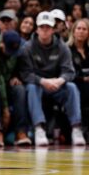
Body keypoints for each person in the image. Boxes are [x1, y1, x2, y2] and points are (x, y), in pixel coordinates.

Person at [19, 11, 86, 146]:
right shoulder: (27, 47)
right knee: (31, 87)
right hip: (38, 84)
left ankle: (76, 128)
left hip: (57, 85)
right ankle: (39, 128)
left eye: (48, 27)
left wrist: (59, 80)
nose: (44, 30)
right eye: (42, 27)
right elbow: (25, 73)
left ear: (53, 29)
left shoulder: (62, 47)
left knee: (72, 87)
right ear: (37, 29)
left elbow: (69, 71)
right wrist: (42, 81)